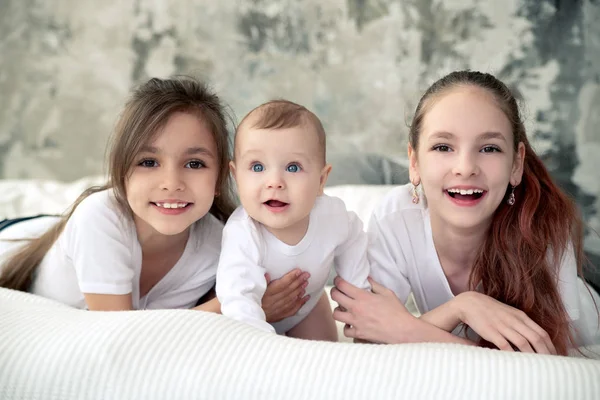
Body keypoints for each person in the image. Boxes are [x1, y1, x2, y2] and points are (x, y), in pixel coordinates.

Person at [331, 70, 600, 355]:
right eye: (443, 146)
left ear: (516, 164)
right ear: (413, 162)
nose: (465, 166)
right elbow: (369, 336)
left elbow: (540, 363)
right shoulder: (393, 217)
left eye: (489, 148)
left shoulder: (542, 226)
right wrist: (461, 308)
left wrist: (411, 327)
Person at [0, 77, 307, 319]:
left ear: (221, 178)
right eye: (148, 162)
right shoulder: (98, 218)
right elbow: (118, 334)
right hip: (13, 236)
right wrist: (238, 306)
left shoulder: (220, 243)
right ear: (121, 172)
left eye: (194, 164)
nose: (171, 184)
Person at [216, 99, 370, 340]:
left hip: (307, 307)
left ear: (321, 180)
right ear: (236, 176)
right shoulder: (243, 233)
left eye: (293, 167)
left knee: (324, 359)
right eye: (257, 167)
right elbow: (238, 302)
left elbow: (353, 236)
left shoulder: (331, 215)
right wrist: (265, 345)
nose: (274, 181)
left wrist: (357, 291)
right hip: (254, 316)